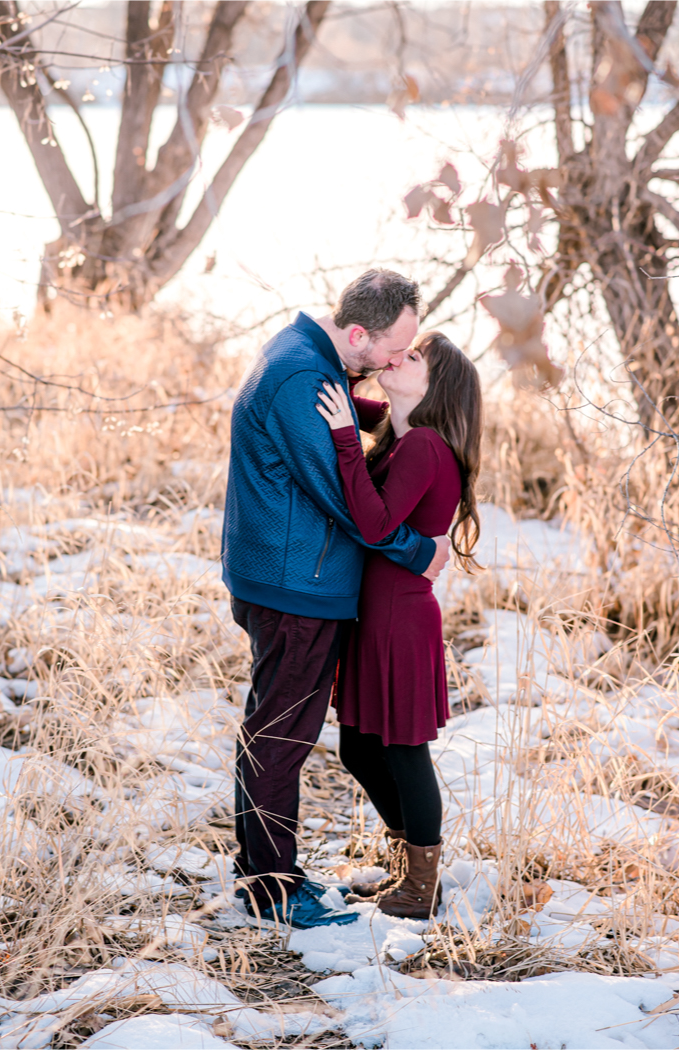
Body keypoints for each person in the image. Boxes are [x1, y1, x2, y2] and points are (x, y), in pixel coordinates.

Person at [220, 269, 450, 929]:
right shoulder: (304, 381)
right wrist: (419, 553)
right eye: (393, 348)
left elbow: (345, 428)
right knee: (279, 738)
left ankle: (266, 874)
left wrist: (417, 418)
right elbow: (343, 499)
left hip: (287, 577)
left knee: (273, 728)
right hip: (297, 589)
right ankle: (272, 889)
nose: (397, 360)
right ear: (356, 333)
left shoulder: (311, 359)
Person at [314, 331, 482, 919]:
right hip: (376, 610)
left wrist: (342, 439)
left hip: (399, 616)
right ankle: (409, 856)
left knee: (404, 750)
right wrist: (333, 381)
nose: (398, 357)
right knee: (360, 749)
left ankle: (421, 882)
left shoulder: (425, 447)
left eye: (413, 357)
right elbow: (351, 401)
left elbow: (374, 521)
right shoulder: (402, 434)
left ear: (436, 385)